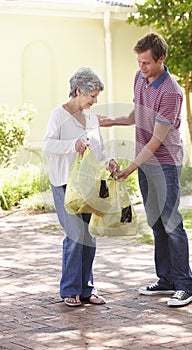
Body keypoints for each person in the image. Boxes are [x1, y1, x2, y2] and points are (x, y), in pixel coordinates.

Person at [99, 33, 192, 307]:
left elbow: (156, 139)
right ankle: (165, 280)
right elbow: (136, 114)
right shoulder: (140, 78)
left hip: (164, 163)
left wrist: (131, 167)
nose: (141, 67)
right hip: (146, 162)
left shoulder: (171, 92)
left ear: (161, 58)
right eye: (139, 62)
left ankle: (186, 286)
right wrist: (110, 121)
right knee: (155, 221)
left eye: (146, 63)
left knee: (171, 223)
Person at [43, 67, 119, 307]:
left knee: (89, 237)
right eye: (92, 96)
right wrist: (71, 145)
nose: (94, 101)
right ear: (79, 91)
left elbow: (99, 148)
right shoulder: (59, 114)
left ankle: (87, 289)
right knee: (76, 236)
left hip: (88, 185)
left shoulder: (90, 118)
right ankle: (69, 289)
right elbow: (48, 145)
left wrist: (109, 161)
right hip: (65, 184)